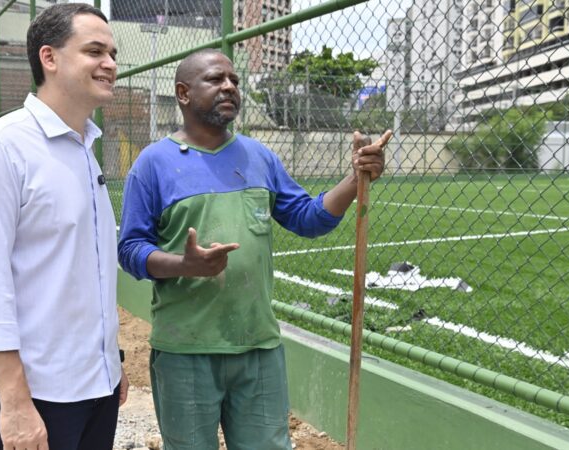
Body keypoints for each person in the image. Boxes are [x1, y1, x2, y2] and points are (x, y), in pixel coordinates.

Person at [117, 48, 390, 450]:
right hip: (185, 351)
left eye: (234, 80)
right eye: (215, 79)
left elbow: (306, 217)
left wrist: (355, 179)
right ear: (183, 93)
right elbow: (130, 249)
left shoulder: (259, 157)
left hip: (258, 346)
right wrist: (184, 265)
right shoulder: (152, 164)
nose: (229, 86)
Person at [0, 4, 127, 450]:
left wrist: (112, 365)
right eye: (94, 51)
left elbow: (84, 273)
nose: (109, 63)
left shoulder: (84, 149)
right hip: (38, 396)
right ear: (49, 58)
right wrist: (14, 403)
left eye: (112, 53)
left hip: (95, 387)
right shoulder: (0, 147)